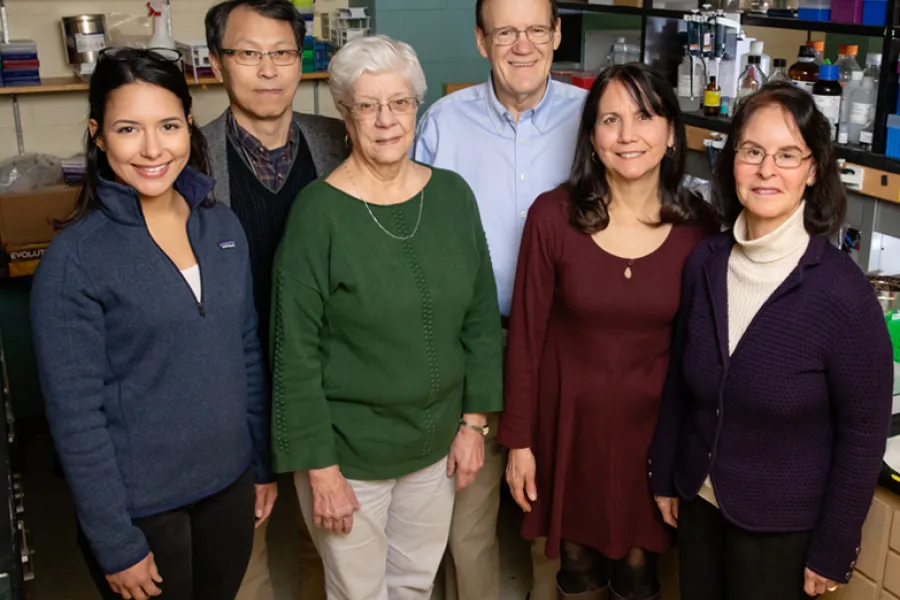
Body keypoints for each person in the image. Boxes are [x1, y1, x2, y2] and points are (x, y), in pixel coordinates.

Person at [30, 48, 273, 600]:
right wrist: (115, 540)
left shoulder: (222, 227)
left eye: (167, 125)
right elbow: (75, 417)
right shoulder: (76, 260)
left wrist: (259, 465)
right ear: (97, 134)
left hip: (229, 486)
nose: (151, 149)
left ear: (188, 123)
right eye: (126, 129)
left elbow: (246, 353)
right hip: (144, 509)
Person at [269, 35, 503, 600]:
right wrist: (319, 469)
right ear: (345, 116)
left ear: (415, 108)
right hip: (348, 457)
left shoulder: (451, 196)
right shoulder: (317, 214)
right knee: (358, 592)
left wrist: (474, 423)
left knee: (415, 584)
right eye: (367, 105)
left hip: (434, 445)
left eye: (399, 103)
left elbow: (478, 318)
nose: (385, 120)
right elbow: (293, 352)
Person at [650, 82, 894, 600]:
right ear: (731, 160)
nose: (767, 170)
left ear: (813, 170)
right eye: (753, 152)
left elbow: (863, 438)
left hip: (783, 529)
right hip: (701, 503)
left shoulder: (843, 296)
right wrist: (666, 475)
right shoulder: (706, 264)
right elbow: (679, 385)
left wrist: (835, 545)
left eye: (788, 155)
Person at [499, 63, 714, 600]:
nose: (627, 135)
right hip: (568, 427)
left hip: (653, 437)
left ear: (670, 135)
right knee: (576, 567)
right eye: (610, 119)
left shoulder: (699, 229)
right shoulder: (553, 216)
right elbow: (524, 339)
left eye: (644, 117)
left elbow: (705, 353)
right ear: (592, 138)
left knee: (642, 573)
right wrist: (519, 443)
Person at [413, 1, 586, 596]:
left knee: (553, 517)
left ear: (558, 35)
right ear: (482, 41)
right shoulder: (442, 122)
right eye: (505, 31)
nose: (523, 45)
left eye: (537, 29)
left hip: (565, 343)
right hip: (472, 343)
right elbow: (413, 233)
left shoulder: (594, 120)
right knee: (468, 519)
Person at [203, 1, 347, 598]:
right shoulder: (188, 156)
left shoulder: (338, 140)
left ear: (301, 61)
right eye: (248, 53)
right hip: (234, 382)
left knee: (335, 539)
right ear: (216, 63)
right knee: (243, 548)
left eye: (282, 53)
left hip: (328, 377)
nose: (268, 70)